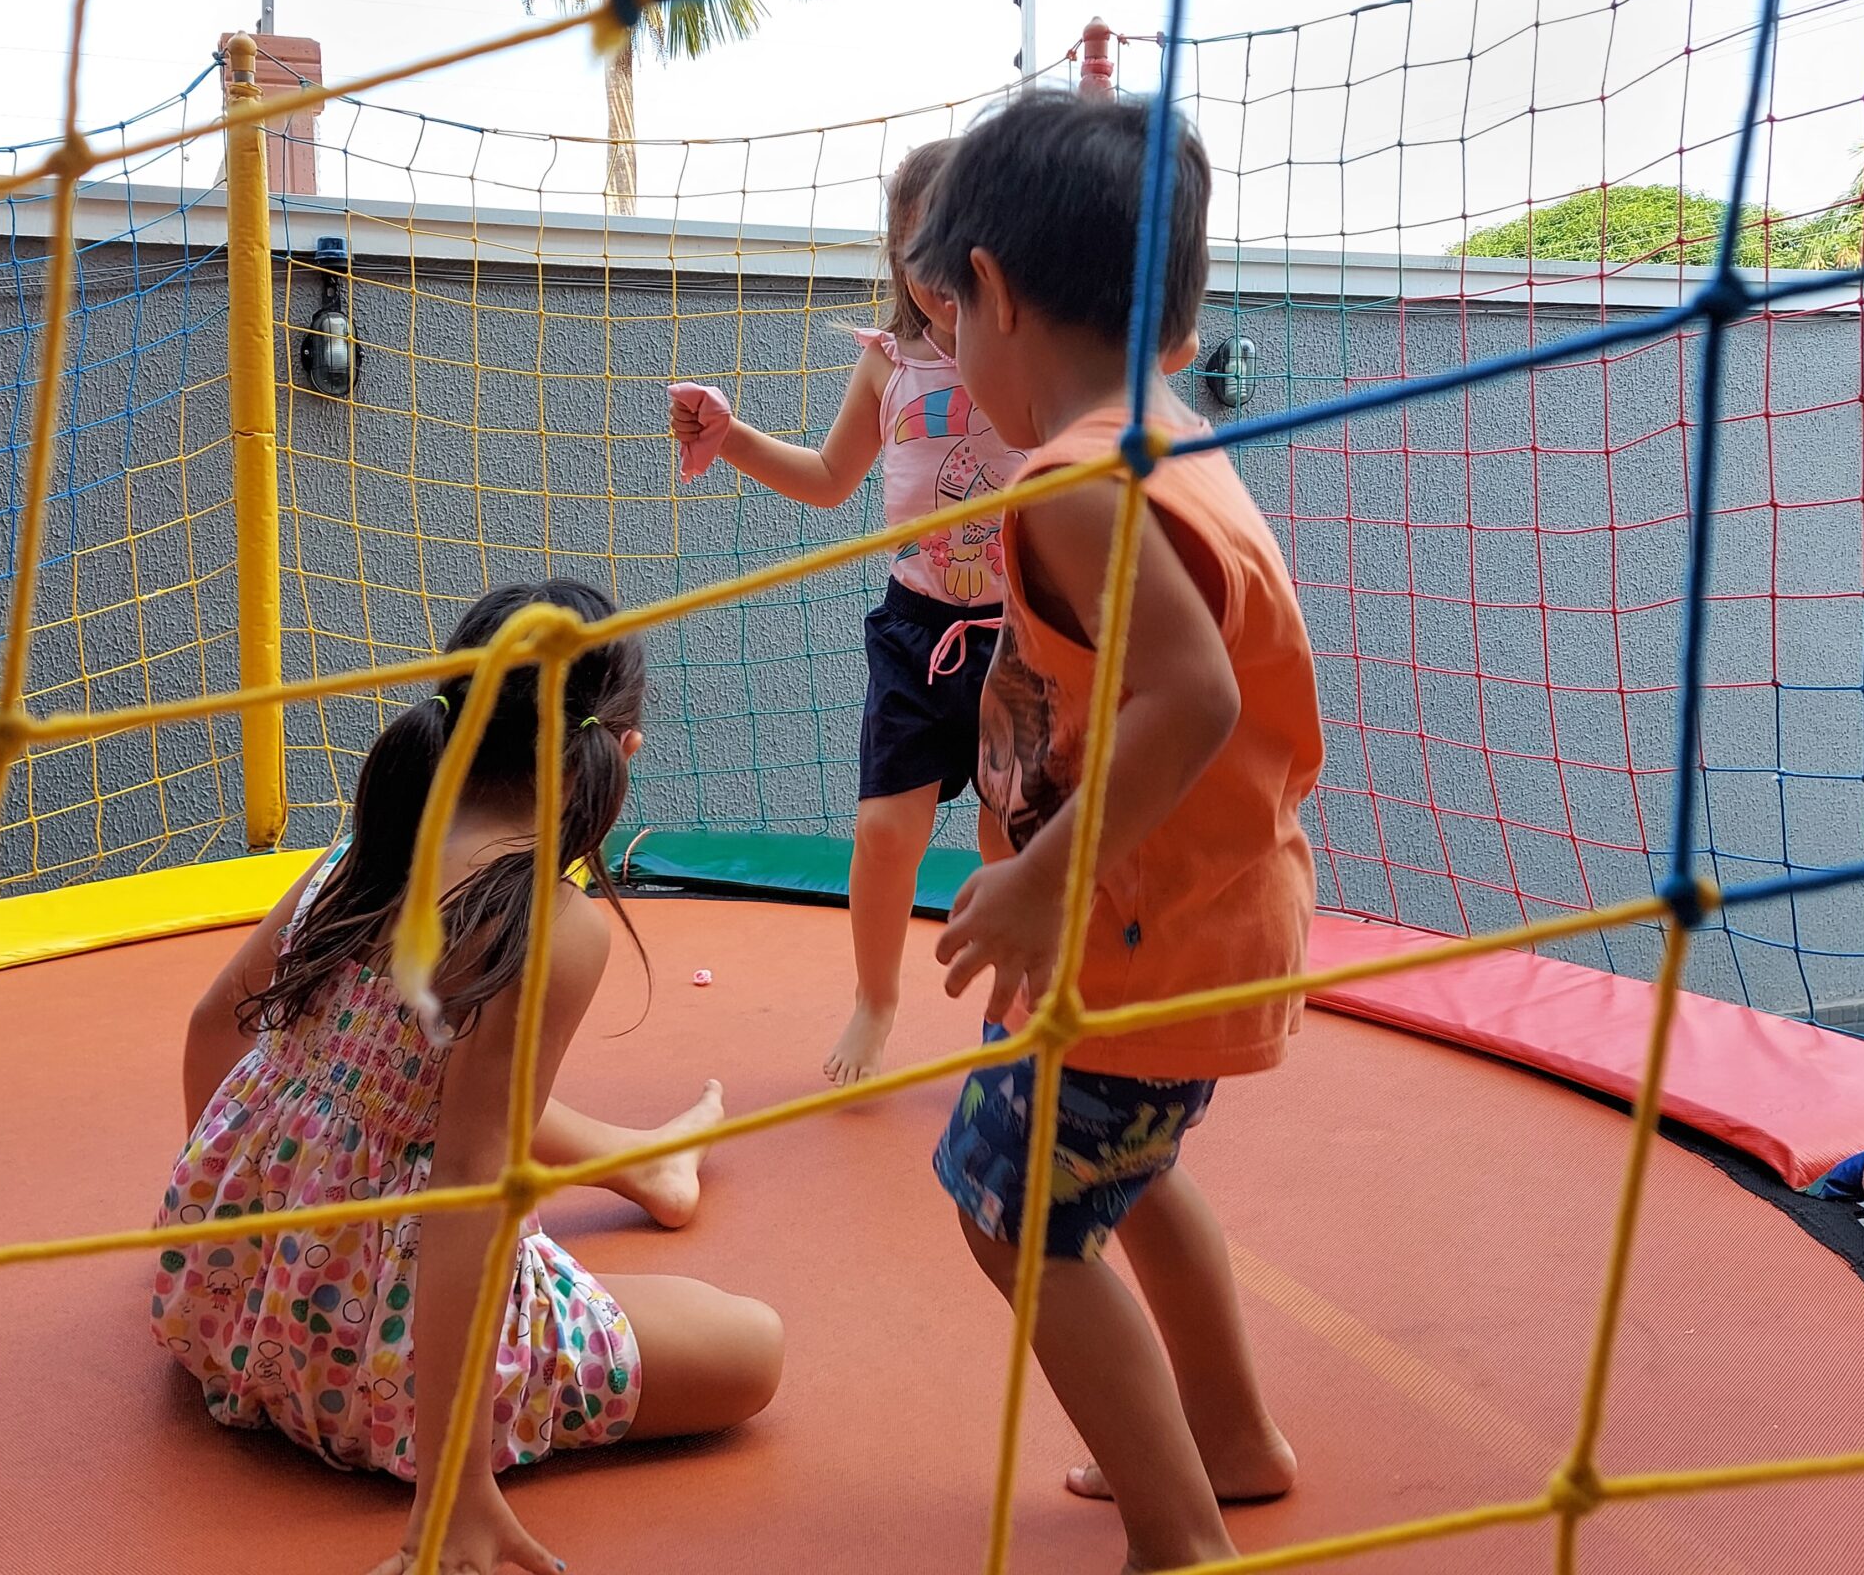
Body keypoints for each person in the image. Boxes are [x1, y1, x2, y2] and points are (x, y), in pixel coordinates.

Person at [158, 579, 783, 1575]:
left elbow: (212, 1024)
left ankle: (645, 1164)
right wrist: (455, 1484)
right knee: (750, 1347)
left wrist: (238, 1236)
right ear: (619, 752)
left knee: (420, 1090)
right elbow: (465, 1191)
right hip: (372, 1374)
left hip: (218, 1310)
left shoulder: (367, 847)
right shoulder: (544, 923)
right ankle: (646, 1171)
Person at [906, 93, 1323, 1571]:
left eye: (948, 315)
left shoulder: (1075, 479)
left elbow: (1194, 696)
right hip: (1210, 912)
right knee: (1129, 1180)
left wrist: (1039, 877)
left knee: (1011, 1210)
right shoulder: (1169, 441)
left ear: (991, 292)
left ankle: (1179, 1534)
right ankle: (1234, 1440)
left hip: (1136, 928)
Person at [668, 138, 1020, 1085]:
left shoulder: (1031, 356)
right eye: (919, 254)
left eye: (960, 252)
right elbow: (829, 479)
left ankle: (1010, 1016)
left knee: (1008, 838)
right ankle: (876, 1000)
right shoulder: (887, 366)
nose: (939, 280)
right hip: (917, 634)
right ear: (900, 259)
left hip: (1020, 639)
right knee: (885, 832)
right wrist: (731, 439)